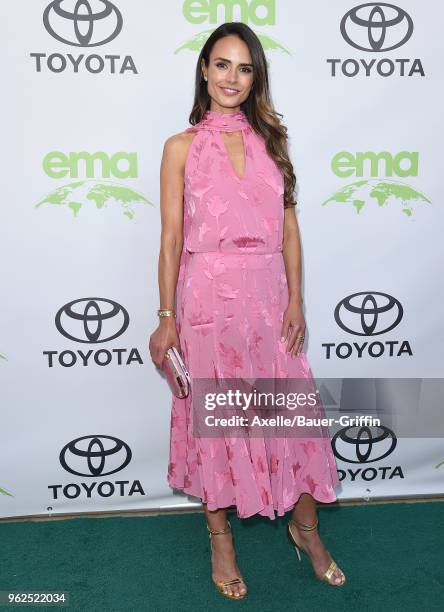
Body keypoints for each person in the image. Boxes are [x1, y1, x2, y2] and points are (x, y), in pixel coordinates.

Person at [149, 21, 346, 600]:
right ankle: (221, 540)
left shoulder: (272, 139)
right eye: (221, 64)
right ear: (204, 70)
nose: (232, 77)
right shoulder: (180, 147)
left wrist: (297, 300)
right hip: (206, 295)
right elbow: (168, 239)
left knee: (294, 418)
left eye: (244, 67)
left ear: (255, 75)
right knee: (216, 418)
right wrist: (166, 314)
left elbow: (289, 230)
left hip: (267, 299)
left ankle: (305, 529)